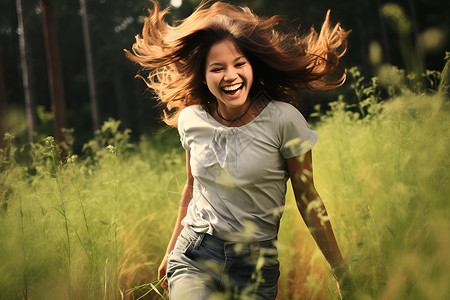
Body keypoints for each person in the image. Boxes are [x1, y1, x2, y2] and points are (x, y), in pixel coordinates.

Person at [127, 1, 351, 299]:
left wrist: (340, 271)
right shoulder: (192, 119)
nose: (230, 75)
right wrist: (171, 250)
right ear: (203, 77)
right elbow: (192, 187)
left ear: (253, 67)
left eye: (239, 64)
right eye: (217, 68)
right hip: (195, 255)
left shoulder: (284, 120)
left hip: (255, 268)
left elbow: (308, 198)